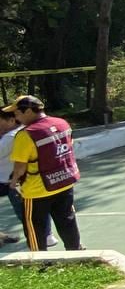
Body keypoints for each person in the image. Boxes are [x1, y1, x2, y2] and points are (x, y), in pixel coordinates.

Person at [9, 96, 83, 251]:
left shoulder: (26, 134)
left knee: (35, 227)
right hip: (64, 182)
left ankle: (39, 259)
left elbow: (20, 167)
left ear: (28, 111)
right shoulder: (62, 123)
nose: (15, 117)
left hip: (37, 190)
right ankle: (76, 252)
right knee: (67, 221)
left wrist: (13, 182)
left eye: (17, 113)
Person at [0, 105, 26, 244]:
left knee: (23, 211)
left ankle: (37, 237)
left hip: (10, 180)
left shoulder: (11, 136)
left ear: (11, 120)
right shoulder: (20, 131)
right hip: (11, 178)